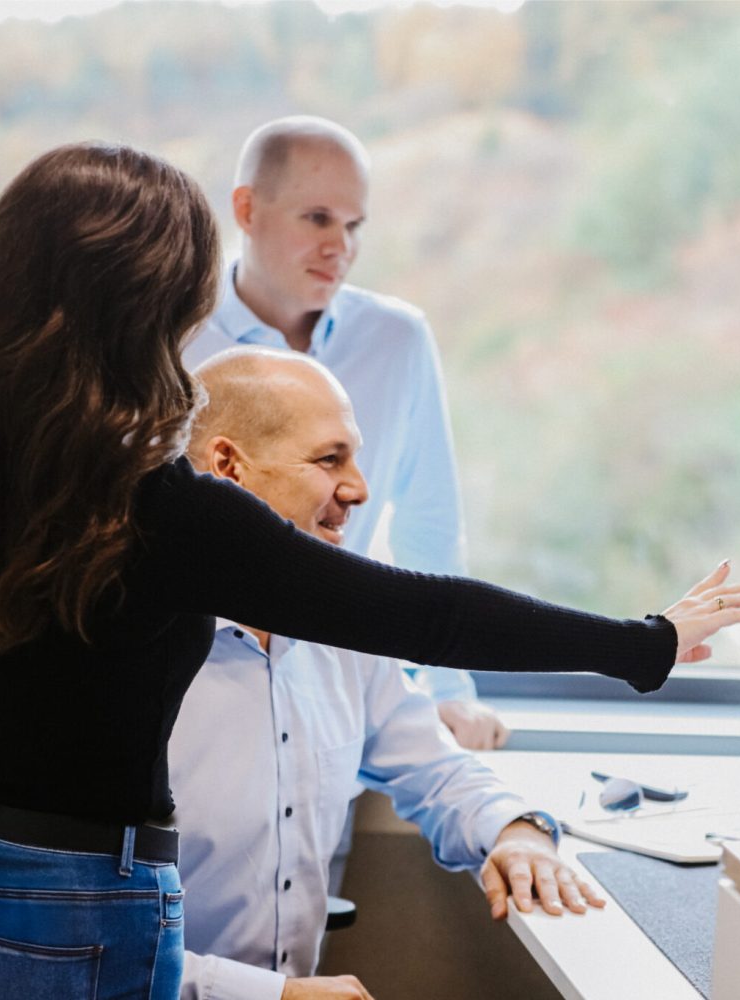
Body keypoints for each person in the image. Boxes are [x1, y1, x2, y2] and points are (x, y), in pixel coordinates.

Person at [0, 142, 740, 999]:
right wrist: (642, 644)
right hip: (81, 916)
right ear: (150, 311)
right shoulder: (159, 509)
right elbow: (421, 614)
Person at [0, 349, 604, 1000]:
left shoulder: (341, 634)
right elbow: (56, 936)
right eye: (330, 459)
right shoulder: (108, 658)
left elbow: (435, 767)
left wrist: (514, 830)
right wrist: (267, 994)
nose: (360, 489)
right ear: (227, 467)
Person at [181, 116, 505, 751]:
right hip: (201, 685)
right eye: (318, 219)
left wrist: (447, 691)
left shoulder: (397, 340)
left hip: (341, 684)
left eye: (353, 226)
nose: (341, 247)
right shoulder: (175, 335)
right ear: (246, 209)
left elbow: (429, 525)